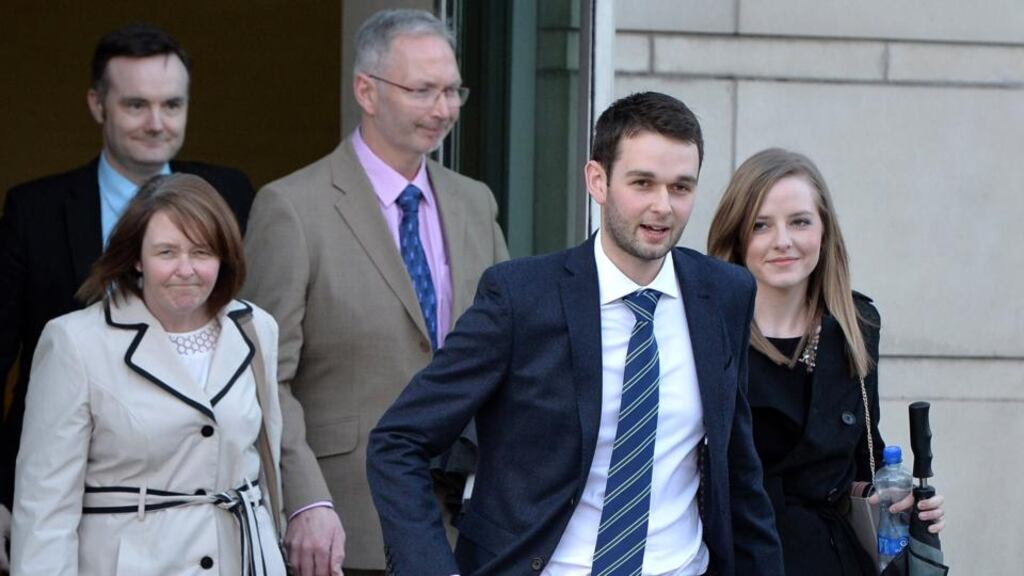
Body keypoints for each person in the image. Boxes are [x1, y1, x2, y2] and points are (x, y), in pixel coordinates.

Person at [366, 91, 783, 576]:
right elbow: (398, 442)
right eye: (642, 183)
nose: (663, 207)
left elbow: (739, 468)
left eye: (681, 187)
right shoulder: (521, 299)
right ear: (598, 181)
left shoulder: (724, 294)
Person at [242, 8, 508, 575]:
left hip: (468, 521)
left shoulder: (474, 203)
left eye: (453, 90)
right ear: (366, 90)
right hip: (345, 521)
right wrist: (305, 499)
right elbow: (265, 378)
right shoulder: (291, 208)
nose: (445, 109)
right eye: (423, 90)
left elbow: (511, 353)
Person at [0, 24, 255, 558]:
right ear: (98, 104)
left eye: (172, 105)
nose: (157, 123)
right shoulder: (34, 211)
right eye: (136, 104)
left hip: (202, 513)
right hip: (62, 492)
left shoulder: (229, 194)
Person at [10, 174, 285, 575]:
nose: (186, 269)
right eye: (167, 253)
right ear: (137, 258)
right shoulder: (74, 341)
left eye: (202, 252)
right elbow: (45, 507)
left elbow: (266, 468)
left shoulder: (257, 328)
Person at [706, 148, 946, 575]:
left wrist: (896, 497)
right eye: (761, 225)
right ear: (738, 237)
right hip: (738, 558)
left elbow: (863, 457)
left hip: (835, 560)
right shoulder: (708, 330)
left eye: (800, 221)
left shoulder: (856, 326)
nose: (783, 241)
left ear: (824, 230)